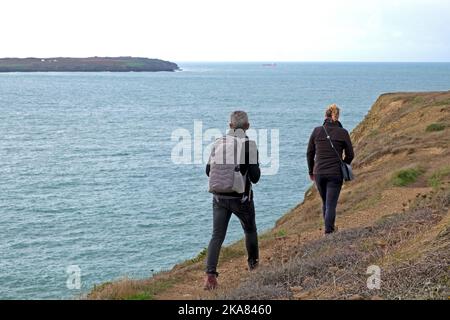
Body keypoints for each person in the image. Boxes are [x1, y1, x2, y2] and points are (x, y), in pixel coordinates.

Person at [204, 111, 261, 290]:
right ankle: (254, 267)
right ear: (248, 127)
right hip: (241, 198)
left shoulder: (218, 142)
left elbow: (208, 171)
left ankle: (210, 276)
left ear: (230, 126)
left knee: (217, 236)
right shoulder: (249, 145)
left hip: (219, 197)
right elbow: (255, 176)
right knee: (250, 230)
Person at [306, 104, 354, 235]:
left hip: (319, 172)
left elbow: (310, 153)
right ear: (337, 117)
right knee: (331, 204)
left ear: (325, 116)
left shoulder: (317, 131)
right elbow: (350, 154)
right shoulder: (343, 132)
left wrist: (311, 171)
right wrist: (343, 164)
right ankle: (329, 232)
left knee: (325, 203)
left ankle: (329, 229)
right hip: (335, 173)